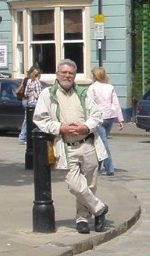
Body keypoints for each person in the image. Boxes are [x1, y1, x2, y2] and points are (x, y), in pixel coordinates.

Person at [33, 59, 109, 235]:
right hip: (66, 146)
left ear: (74, 75)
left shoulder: (83, 93)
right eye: (64, 72)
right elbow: (40, 119)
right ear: (57, 74)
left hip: (88, 143)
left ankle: (82, 219)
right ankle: (100, 209)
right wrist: (60, 127)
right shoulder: (47, 94)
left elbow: (97, 115)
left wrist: (85, 126)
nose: (67, 75)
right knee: (75, 186)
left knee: (89, 185)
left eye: (71, 73)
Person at [86, 66, 125, 176]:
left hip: (98, 118)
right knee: (101, 142)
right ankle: (98, 165)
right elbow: (115, 103)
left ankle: (109, 168)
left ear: (95, 76)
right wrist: (120, 119)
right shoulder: (110, 87)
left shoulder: (92, 88)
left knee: (103, 143)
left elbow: (90, 104)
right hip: (110, 117)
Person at [18, 65, 45, 143]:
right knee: (37, 120)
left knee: (27, 121)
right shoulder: (37, 83)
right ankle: (31, 137)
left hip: (29, 102)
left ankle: (23, 137)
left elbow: (26, 93)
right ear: (38, 75)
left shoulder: (29, 81)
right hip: (35, 103)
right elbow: (39, 95)